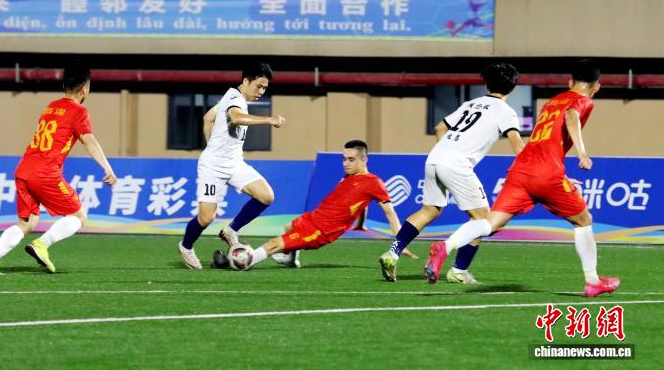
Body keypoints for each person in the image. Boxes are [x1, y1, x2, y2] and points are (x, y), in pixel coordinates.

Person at [425, 60, 621, 298]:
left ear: (570, 82)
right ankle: (592, 281)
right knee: (584, 220)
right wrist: (582, 154)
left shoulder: (552, 102)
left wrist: (559, 173)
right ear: (597, 86)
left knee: (491, 222)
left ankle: (445, 247)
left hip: (522, 169)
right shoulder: (583, 100)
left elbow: (544, 143)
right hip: (546, 172)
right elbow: (571, 116)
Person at [379, 64, 525, 283]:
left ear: (487, 84)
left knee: (429, 210)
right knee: (483, 219)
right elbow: (517, 143)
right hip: (456, 163)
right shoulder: (506, 111)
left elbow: (440, 128)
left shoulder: (470, 104)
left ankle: (392, 253)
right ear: (513, 87)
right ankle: (458, 271)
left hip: (435, 157)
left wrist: (447, 153)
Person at [0, 65, 117, 275]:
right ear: (85, 89)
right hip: (45, 173)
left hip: (24, 170)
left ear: (64, 85)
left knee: (27, 222)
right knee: (79, 216)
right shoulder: (79, 111)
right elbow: (89, 141)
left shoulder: (50, 107)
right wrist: (108, 168)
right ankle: (42, 244)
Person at [178, 63, 286, 270]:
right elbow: (236, 118)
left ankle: (231, 230)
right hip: (213, 167)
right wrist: (269, 119)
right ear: (245, 81)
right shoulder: (235, 99)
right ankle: (186, 246)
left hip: (234, 163)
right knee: (206, 218)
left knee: (266, 196)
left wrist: (211, 143)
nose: (261, 92)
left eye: (265, 88)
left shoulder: (232, 98)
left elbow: (207, 118)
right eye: (258, 86)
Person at [245, 140, 409, 270]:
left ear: (364, 160)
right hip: (312, 218)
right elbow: (360, 204)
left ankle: (244, 261)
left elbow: (390, 212)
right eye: (344, 159)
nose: (345, 163)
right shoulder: (348, 177)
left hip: (320, 231)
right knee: (288, 226)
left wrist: (399, 244)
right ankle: (291, 259)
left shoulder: (374, 182)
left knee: (273, 244)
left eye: (351, 159)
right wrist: (359, 223)